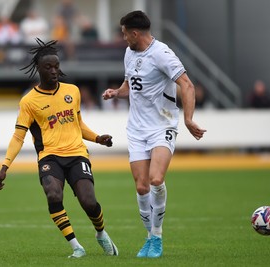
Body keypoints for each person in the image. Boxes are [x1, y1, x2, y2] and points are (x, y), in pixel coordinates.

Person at [0, 39, 118, 259]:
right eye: (48, 67)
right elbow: (18, 136)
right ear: (38, 69)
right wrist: (5, 167)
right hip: (50, 157)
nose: (54, 71)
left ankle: (101, 233)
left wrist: (98, 138)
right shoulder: (29, 102)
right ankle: (77, 246)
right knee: (53, 195)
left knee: (89, 202)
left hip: (77, 154)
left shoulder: (73, 91)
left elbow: (78, 125)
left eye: (56, 66)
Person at [102, 11, 206, 258]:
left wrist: (188, 118)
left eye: (124, 32)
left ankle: (156, 237)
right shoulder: (129, 53)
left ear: (135, 33)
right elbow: (131, 84)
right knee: (141, 187)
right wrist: (117, 92)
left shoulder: (162, 54)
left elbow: (187, 84)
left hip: (163, 125)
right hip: (137, 129)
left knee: (156, 179)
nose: (123, 36)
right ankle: (148, 238)